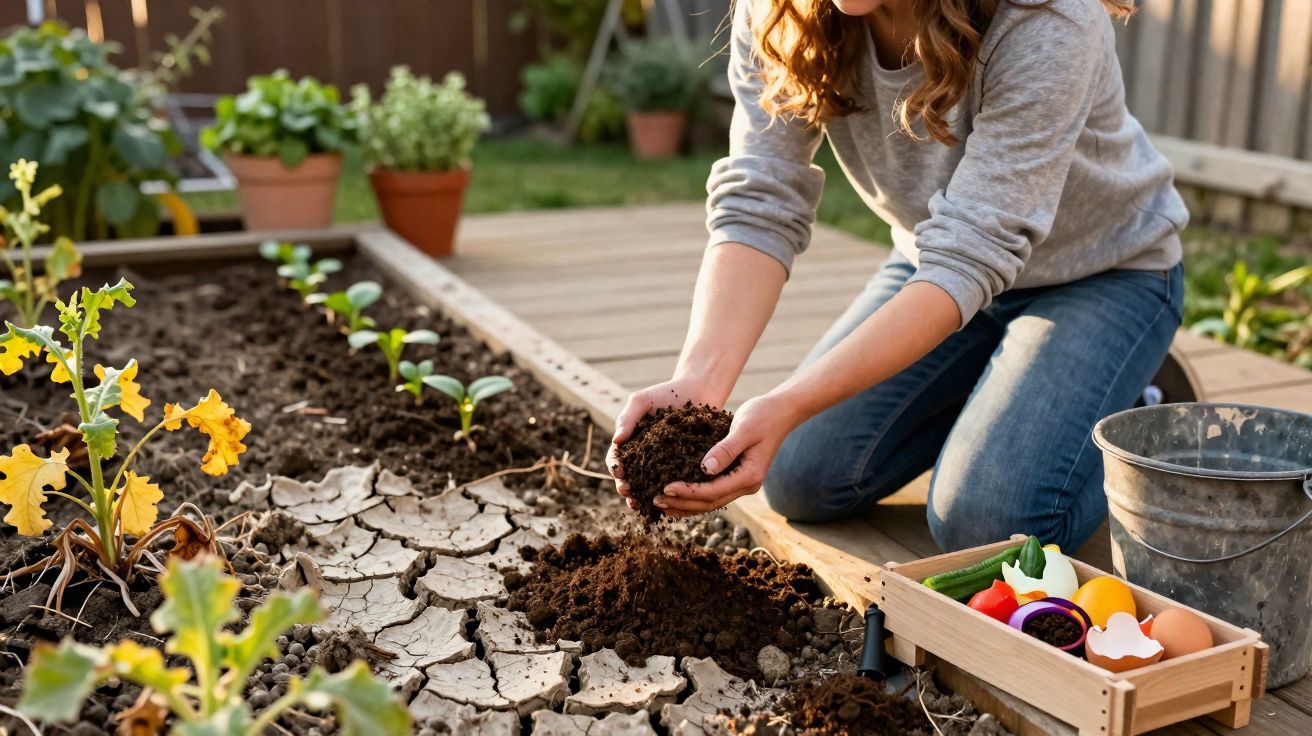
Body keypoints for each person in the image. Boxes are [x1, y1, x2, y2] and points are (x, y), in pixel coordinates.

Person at [607, 0, 1186, 553]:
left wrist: (788, 402)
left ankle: (1140, 403)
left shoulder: (1047, 17)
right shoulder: (783, 13)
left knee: (988, 522)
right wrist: (699, 382)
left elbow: (975, 251)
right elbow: (762, 199)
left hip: (1101, 273)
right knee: (800, 475)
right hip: (932, 267)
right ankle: (1000, 387)